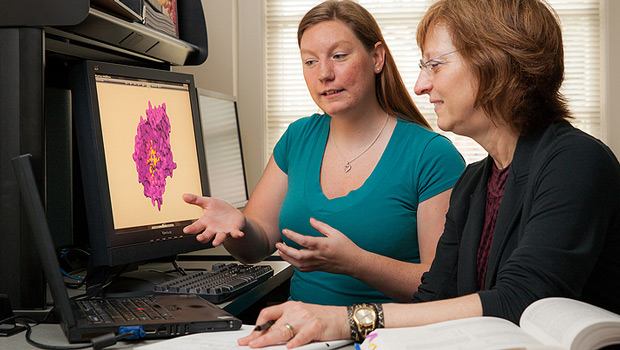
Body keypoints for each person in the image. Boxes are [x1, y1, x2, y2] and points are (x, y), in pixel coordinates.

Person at [237, 0, 620, 348]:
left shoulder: (576, 160)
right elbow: (434, 299)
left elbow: (519, 300)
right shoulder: (474, 184)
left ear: (495, 62)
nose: (421, 85)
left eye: (434, 65)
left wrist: (344, 319)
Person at [182, 0, 465, 306]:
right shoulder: (298, 137)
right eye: (310, 61)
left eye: (339, 56)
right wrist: (237, 226)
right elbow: (258, 245)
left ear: (377, 58)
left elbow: (442, 288)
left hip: (383, 335)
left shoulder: (432, 155)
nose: (324, 74)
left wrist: (355, 262)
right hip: (301, 331)